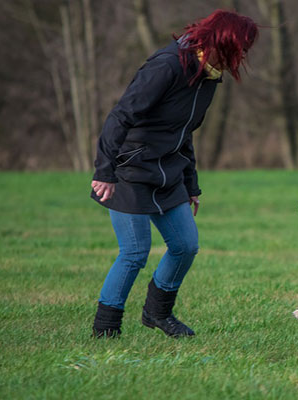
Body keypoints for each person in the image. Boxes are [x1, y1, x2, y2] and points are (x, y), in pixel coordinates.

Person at [90, 10, 258, 338]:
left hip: (168, 172)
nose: (242, 56)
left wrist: (191, 184)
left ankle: (157, 313)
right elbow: (120, 116)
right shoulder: (166, 66)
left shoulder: (209, 76)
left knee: (185, 245)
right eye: (241, 48)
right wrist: (105, 170)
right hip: (130, 169)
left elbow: (184, 133)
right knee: (134, 253)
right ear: (222, 42)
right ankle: (105, 329)